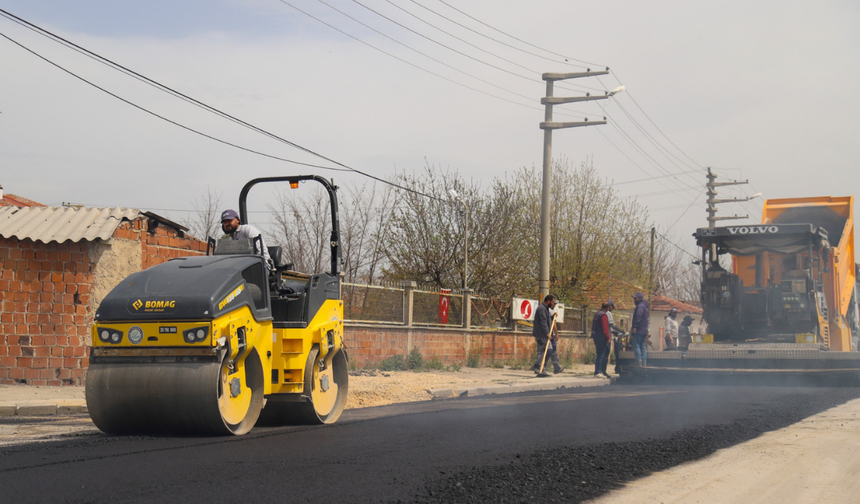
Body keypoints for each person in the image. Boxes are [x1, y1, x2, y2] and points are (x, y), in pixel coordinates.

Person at [531, 295, 560, 376]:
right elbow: (543, 322)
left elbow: (546, 319)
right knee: (549, 350)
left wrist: (552, 315)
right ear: (549, 301)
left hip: (543, 334)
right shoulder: (542, 309)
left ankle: (541, 369)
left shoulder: (545, 309)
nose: (553, 303)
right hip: (541, 335)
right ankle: (538, 366)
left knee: (544, 351)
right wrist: (547, 333)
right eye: (553, 302)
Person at [591, 303, 611, 378]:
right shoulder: (603, 315)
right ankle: (598, 372)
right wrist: (608, 338)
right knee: (601, 355)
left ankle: (597, 371)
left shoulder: (597, 314)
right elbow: (605, 328)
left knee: (599, 354)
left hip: (596, 337)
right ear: (608, 308)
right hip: (601, 338)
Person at [630, 291, 650, 367]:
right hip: (644, 330)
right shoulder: (645, 306)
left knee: (636, 344)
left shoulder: (640, 307)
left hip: (639, 330)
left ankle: (638, 361)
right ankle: (643, 362)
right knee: (642, 345)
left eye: (635, 298)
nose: (634, 300)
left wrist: (635, 327)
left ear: (639, 298)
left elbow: (638, 317)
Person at [606, 300, 625, 374]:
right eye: (612, 307)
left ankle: (601, 371)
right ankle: (602, 371)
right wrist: (620, 330)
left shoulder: (602, 313)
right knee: (605, 354)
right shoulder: (608, 313)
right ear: (610, 306)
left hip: (605, 334)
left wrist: (613, 331)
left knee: (603, 354)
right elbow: (612, 324)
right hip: (607, 337)